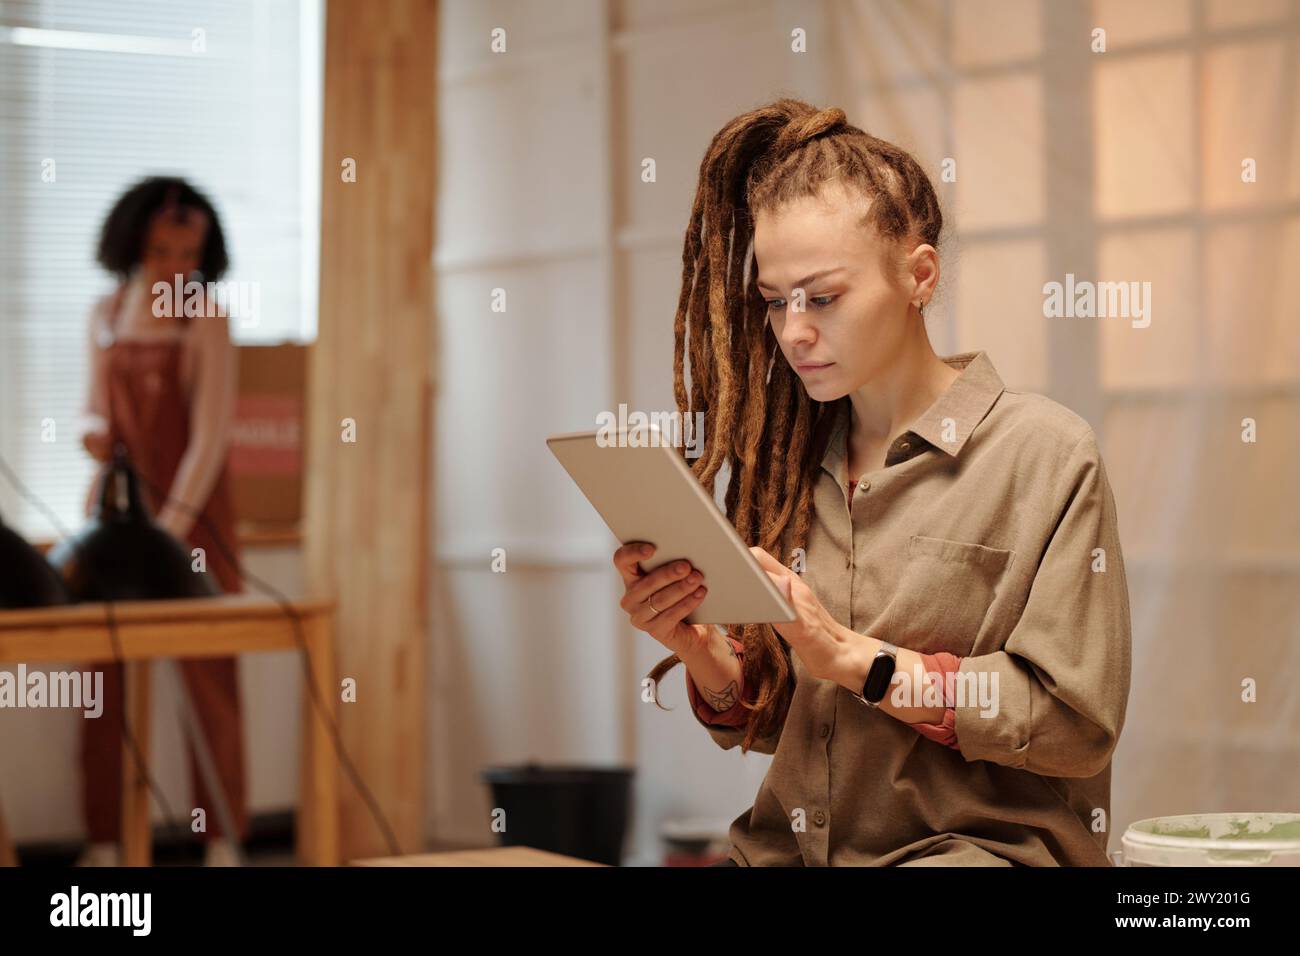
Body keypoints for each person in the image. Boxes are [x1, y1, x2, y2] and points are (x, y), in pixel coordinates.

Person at [614, 99, 1132, 866]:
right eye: (774, 301)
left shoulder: (1045, 455)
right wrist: (708, 662)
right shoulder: (785, 467)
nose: (793, 330)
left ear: (919, 275)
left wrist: (862, 663)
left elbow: (1074, 724)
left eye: (822, 297)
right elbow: (784, 726)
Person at [76, 176, 248, 867]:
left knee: (210, 679)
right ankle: (104, 839)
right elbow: (93, 406)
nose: (175, 263)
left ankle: (222, 841)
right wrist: (90, 432)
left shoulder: (206, 316)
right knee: (99, 679)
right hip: (114, 521)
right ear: (134, 243)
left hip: (193, 521)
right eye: (161, 248)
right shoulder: (106, 311)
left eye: (188, 251)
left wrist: (169, 533)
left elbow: (211, 436)